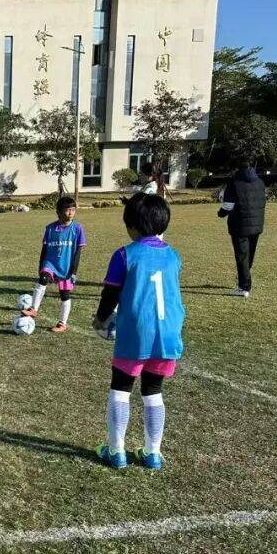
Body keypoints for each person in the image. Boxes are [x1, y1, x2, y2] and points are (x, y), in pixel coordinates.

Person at [93, 193, 185, 471]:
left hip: (136, 332)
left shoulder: (124, 254)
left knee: (121, 388)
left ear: (131, 225)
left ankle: (116, 451)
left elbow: (111, 293)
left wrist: (101, 319)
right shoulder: (173, 255)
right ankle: (153, 453)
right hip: (169, 332)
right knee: (153, 390)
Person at [20, 196, 87, 333]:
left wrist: (73, 272)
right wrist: (41, 266)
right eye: (67, 210)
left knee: (64, 294)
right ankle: (33, 309)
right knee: (43, 279)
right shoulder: (50, 228)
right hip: (50, 263)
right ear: (58, 212)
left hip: (66, 266)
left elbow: (78, 252)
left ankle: (62, 323)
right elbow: (44, 249)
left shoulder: (77, 228)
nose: (71, 213)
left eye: (73, 210)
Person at [217, 164, 266, 297]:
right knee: (249, 255)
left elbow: (228, 205)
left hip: (239, 225)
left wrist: (220, 213)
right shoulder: (260, 182)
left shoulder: (234, 182)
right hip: (257, 224)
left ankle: (244, 287)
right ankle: (244, 277)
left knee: (242, 256)